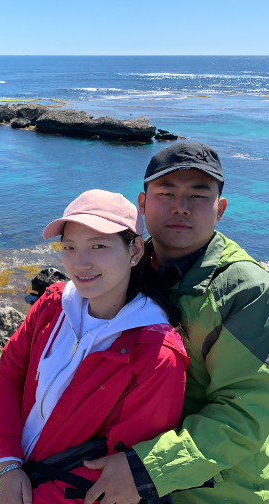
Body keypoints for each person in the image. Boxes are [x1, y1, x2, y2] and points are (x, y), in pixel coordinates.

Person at [82, 142, 269, 504]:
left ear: (220, 209)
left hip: (212, 493)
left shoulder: (245, 289)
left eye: (199, 195)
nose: (180, 206)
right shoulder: (129, 267)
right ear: (142, 203)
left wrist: (146, 470)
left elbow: (247, 412)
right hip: (121, 474)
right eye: (166, 192)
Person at [0, 189, 189, 504]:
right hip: (20, 477)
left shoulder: (155, 353)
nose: (80, 263)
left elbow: (116, 471)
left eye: (98, 246)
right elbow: (9, 373)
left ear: (135, 251)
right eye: (69, 247)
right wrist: (8, 461)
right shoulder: (53, 304)